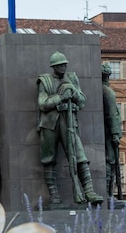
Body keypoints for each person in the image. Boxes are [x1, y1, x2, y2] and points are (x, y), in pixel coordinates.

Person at [37, 51, 103, 205]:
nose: (63, 67)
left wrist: (73, 93)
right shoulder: (44, 81)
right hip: (50, 124)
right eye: (60, 65)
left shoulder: (72, 78)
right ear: (53, 67)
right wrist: (60, 97)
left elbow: (82, 102)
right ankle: (54, 194)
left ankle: (89, 191)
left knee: (80, 156)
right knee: (49, 159)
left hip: (69, 122)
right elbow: (42, 104)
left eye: (64, 64)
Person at [102, 63, 123, 197]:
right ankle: (109, 195)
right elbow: (112, 114)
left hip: (106, 132)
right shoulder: (108, 92)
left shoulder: (101, 90)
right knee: (111, 162)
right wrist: (115, 133)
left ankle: (109, 194)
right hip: (110, 133)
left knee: (110, 163)